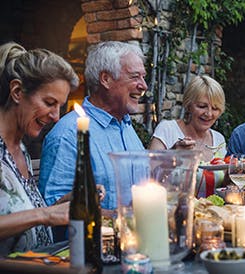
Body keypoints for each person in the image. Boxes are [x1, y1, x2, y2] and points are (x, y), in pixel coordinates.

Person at [39, 41, 147, 210]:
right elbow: (52, 208)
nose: (144, 86)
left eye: (143, 77)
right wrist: (117, 219)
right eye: (135, 77)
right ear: (106, 79)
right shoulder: (67, 133)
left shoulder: (126, 127)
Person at [0, 42, 79, 255]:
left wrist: (70, 201)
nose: (56, 116)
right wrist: (46, 215)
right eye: (49, 102)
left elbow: (22, 211)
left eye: (60, 106)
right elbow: (38, 216)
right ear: (17, 91)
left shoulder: (20, 149)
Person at [149, 75, 226, 197]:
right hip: (171, 212)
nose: (209, 113)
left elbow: (223, 186)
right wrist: (173, 155)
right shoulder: (167, 130)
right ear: (188, 105)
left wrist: (239, 170)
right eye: (202, 106)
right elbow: (149, 176)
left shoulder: (219, 139)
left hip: (210, 213)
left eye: (215, 108)